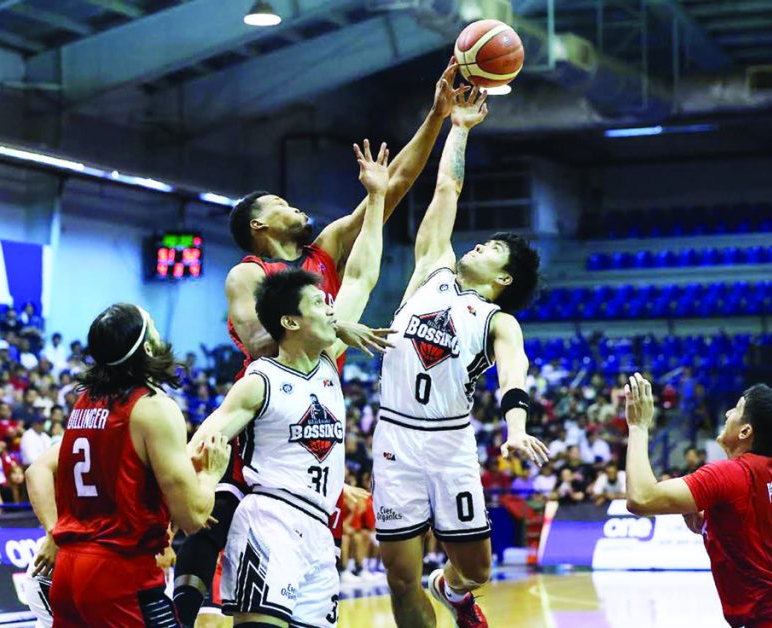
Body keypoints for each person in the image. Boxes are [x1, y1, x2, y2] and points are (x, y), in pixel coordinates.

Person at [171, 63, 457, 628]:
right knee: (220, 507)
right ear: (258, 224)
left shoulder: (323, 255)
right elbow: (260, 341)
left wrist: (438, 117)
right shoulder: (248, 273)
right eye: (280, 201)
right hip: (269, 403)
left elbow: (391, 190)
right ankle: (179, 601)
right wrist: (329, 326)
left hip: (316, 394)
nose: (295, 205)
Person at [186, 135, 391, 627]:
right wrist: (201, 485)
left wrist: (379, 195)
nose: (332, 306)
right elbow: (206, 437)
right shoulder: (261, 377)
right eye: (321, 305)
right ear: (293, 322)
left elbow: (363, 275)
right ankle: (178, 604)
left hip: (319, 533)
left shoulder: (327, 364)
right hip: (270, 521)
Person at [371, 85, 548, 628]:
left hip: (451, 445)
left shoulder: (499, 320)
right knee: (399, 579)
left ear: (503, 279)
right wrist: (460, 127)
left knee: (476, 570)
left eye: (493, 249)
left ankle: (450, 590)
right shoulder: (433, 270)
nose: (479, 245)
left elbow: (513, 374)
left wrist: (515, 428)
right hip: (396, 437)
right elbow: (447, 187)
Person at [23, 303, 232, 627]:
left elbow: (41, 470)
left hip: (68, 571)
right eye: (152, 324)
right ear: (147, 346)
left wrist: (56, 531)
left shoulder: (85, 402)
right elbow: (192, 517)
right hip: (119, 574)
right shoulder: (153, 408)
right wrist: (210, 474)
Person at [623, 373, 772, 627]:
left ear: (745, 431)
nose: (728, 412)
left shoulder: (731, 474)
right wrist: (708, 523)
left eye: (737, 409)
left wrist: (638, 426)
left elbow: (641, 498)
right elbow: (755, 529)